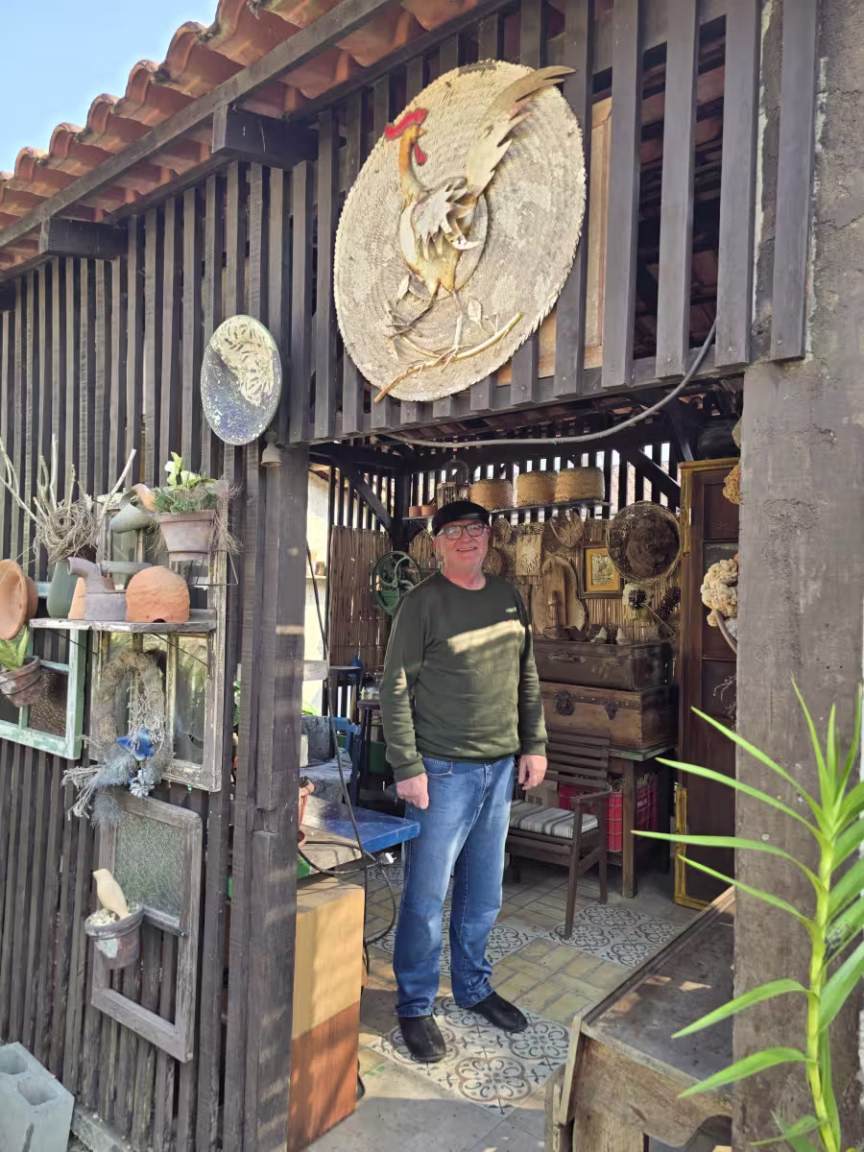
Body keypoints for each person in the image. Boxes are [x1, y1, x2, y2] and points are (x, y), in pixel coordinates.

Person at [379, 500, 548, 1063]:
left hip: (499, 770)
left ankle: (473, 987)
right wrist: (407, 767)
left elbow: (526, 673)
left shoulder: (508, 598)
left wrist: (534, 743)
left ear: (489, 537)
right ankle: (415, 1004)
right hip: (441, 772)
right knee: (426, 897)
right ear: (436, 544)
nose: (467, 538)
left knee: (483, 894)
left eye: (476, 528)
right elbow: (395, 687)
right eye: (453, 531)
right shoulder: (421, 603)